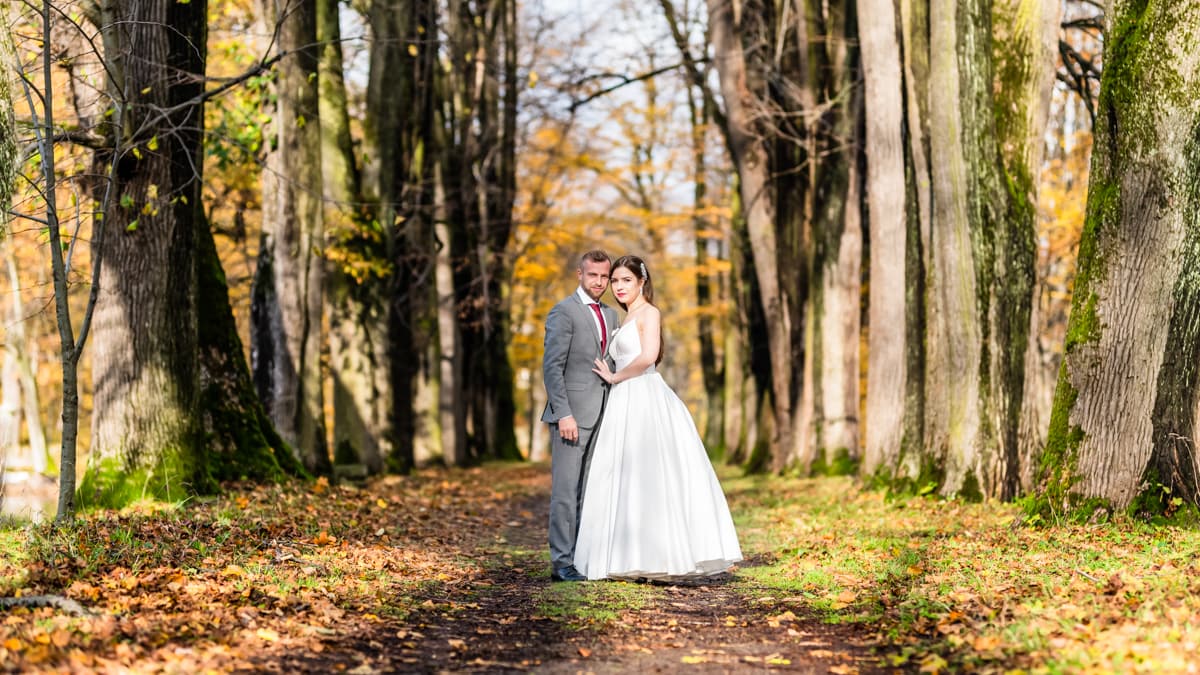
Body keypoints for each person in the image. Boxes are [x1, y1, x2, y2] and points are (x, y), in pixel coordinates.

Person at [574, 255, 742, 581]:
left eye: (626, 280)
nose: (619, 287)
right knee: (623, 474)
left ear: (641, 282)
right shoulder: (625, 318)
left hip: (642, 395)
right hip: (624, 398)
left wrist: (614, 377)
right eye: (615, 281)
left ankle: (660, 558)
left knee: (650, 475)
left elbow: (649, 356)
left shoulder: (649, 313)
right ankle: (626, 556)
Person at [541, 250, 621, 582]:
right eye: (594, 276)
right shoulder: (563, 312)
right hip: (571, 417)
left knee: (589, 491)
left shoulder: (613, 316)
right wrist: (563, 414)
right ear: (580, 274)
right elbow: (552, 367)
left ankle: (582, 557)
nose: (600, 283)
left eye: (605, 277)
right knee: (565, 490)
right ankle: (561, 562)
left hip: (604, 413)